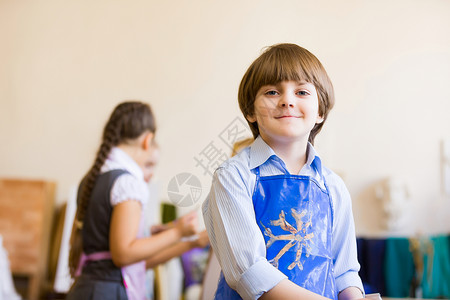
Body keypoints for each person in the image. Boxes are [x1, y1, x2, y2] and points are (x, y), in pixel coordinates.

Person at [202, 44, 365, 300]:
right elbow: (250, 274)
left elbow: (344, 272)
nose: (287, 100)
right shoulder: (233, 177)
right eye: (272, 91)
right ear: (250, 111)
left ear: (320, 111)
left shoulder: (333, 186)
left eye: (301, 91)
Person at [66, 101, 206, 300]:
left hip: (85, 289)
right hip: (110, 292)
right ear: (147, 140)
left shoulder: (90, 180)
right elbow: (123, 253)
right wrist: (178, 232)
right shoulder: (127, 183)